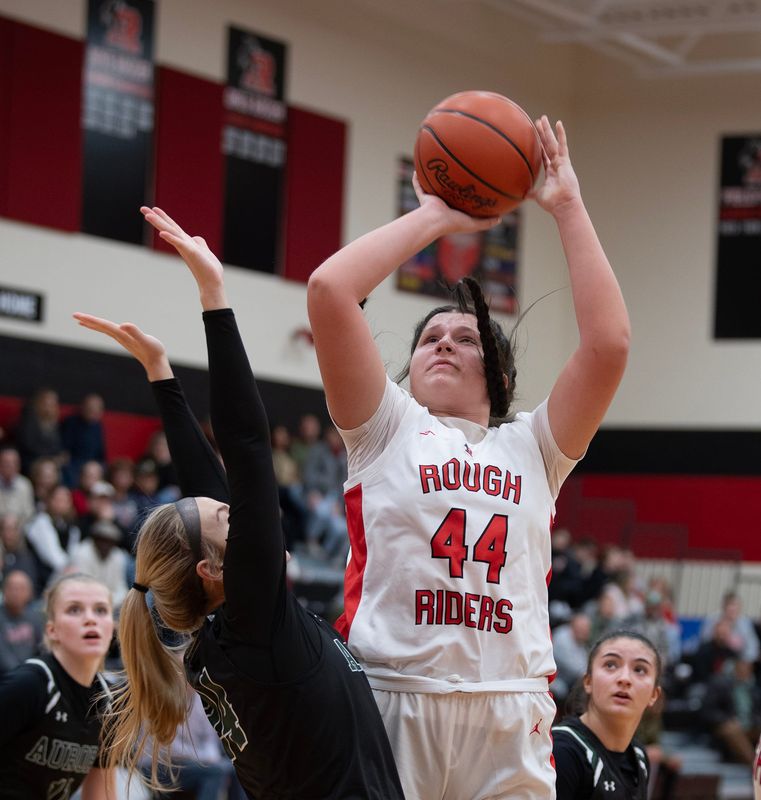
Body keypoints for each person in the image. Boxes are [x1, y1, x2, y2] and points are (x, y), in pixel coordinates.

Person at [307, 116, 630, 798]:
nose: (445, 343)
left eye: (464, 335)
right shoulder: (384, 429)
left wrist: (566, 206)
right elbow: (329, 292)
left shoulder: (535, 447)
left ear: (501, 375)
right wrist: (430, 218)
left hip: (509, 705)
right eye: (429, 338)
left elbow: (608, 346)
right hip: (392, 694)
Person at [76, 206, 404, 799]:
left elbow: (212, 482)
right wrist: (213, 294)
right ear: (212, 567)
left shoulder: (229, 635)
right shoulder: (253, 627)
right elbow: (247, 445)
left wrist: (161, 375)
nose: (234, 506)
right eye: (225, 516)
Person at [0, 572, 116, 798]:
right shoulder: (30, 684)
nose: (90, 619)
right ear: (52, 630)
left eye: (101, 610)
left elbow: (101, 793)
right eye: (74, 609)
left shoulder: (109, 703)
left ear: (112, 627)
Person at [552, 631, 660, 800]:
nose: (625, 679)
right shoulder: (562, 751)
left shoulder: (639, 756)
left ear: (654, 694)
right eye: (610, 665)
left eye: (639, 669)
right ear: (588, 682)